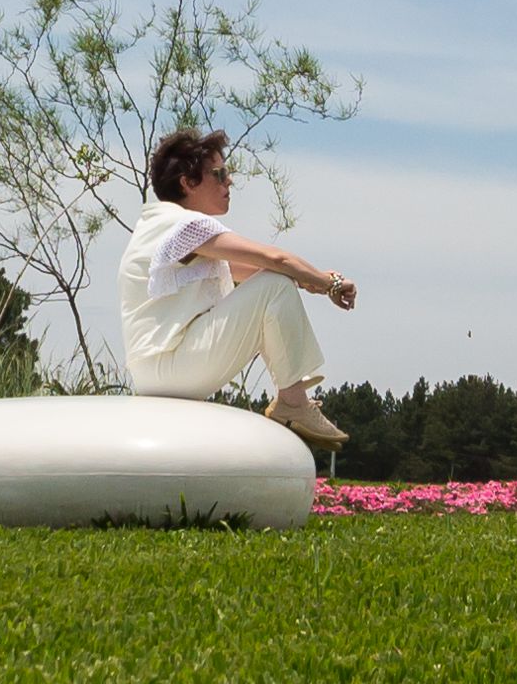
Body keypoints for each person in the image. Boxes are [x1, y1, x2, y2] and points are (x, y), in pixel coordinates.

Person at [119, 128, 357, 449]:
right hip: (172, 369)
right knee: (275, 284)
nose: (229, 182)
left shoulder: (158, 225)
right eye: (219, 174)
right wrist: (331, 284)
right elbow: (276, 259)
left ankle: (292, 401)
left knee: (275, 281)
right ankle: (293, 402)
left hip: (157, 371)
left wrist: (311, 279)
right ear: (187, 183)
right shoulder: (184, 224)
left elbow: (250, 270)